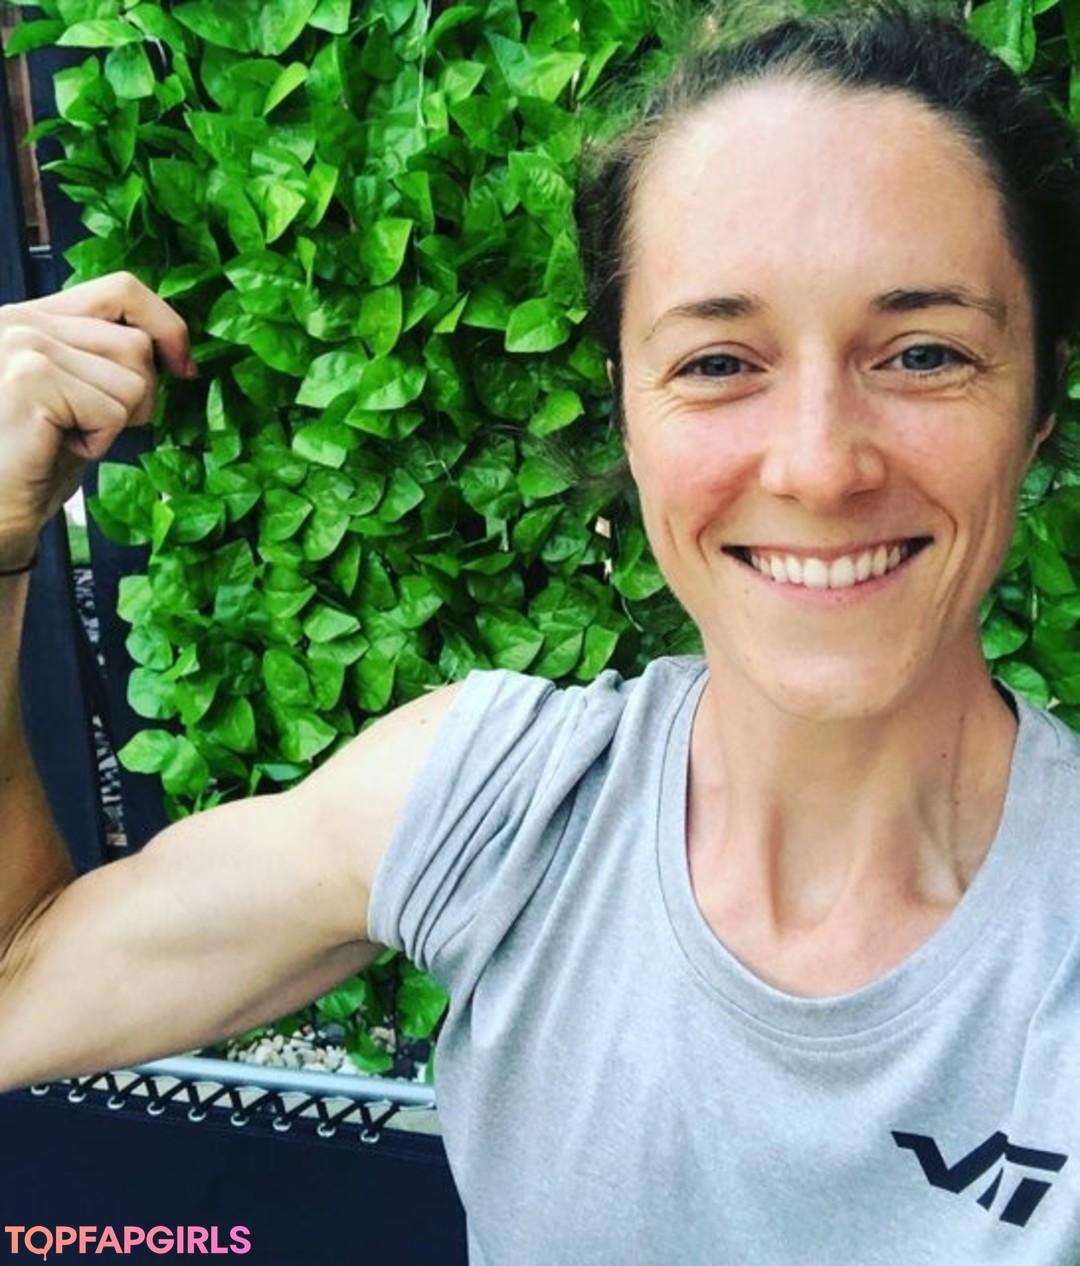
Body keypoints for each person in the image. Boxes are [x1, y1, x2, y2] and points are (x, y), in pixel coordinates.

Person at [2, 3, 1080, 1260]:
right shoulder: (497, 805)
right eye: (719, 363)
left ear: (1040, 403)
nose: (818, 465)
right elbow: (19, 986)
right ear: (626, 408)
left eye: (924, 353)